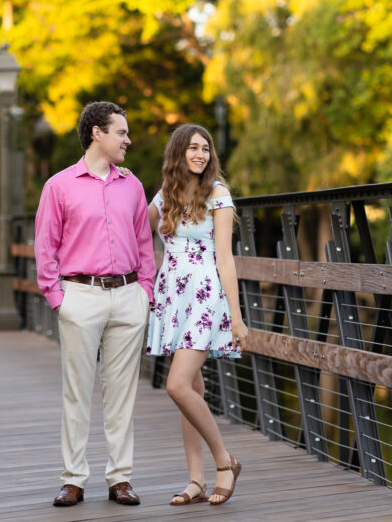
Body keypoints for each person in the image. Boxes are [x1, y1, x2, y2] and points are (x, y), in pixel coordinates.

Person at [34, 101, 156, 507]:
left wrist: (145, 292)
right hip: (79, 296)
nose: (128, 139)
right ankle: (74, 479)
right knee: (78, 391)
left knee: (122, 394)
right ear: (96, 134)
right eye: (121, 132)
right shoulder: (59, 186)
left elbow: (144, 243)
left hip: (127, 297)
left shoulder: (133, 186)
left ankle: (120, 478)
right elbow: (45, 247)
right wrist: (58, 299)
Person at [146, 123, 248, 506]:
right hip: (173, 296)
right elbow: (137, 223)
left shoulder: (217, 193)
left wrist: (236, 317)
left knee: (176, 385)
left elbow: (225, 258)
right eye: (192, 148)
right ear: (178, 153)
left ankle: (226, 462)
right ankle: (196, 481)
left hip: (205, 297)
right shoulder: (166, 194)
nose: (200, 154)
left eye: (205, 149)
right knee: (191, 388)